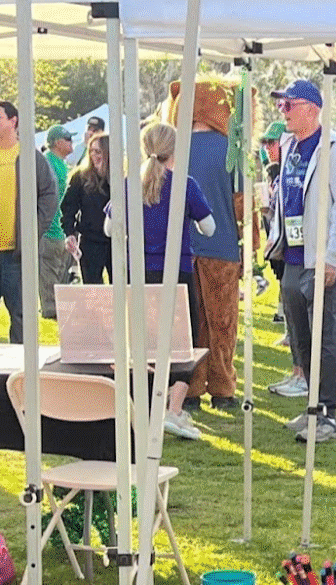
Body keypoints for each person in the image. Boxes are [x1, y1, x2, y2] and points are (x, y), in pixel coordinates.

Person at [103, 121, 215, 440]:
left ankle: (147, 408)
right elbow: (210, 228)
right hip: (175, 272)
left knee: (142, 341)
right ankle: (174, 408)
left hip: (137, 273)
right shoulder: (185, 184)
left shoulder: (127, 184)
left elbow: (110, 229)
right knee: (185, 343)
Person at [264, 79, 336, 443]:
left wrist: (334, 256)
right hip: (293, 254)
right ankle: (311, 406)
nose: (282, 112)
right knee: (299, 335)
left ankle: (328, 414)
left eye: (289, 105)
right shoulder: (289, 145)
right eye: (281, 106)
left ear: (313, 108)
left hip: (323, 257)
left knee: (326, 336)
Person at [182, 86, 244, 413]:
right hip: (223, 248)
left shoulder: (173, 149)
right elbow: (243, 206)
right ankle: (222, 388)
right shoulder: (233, 150)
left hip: (181, 249)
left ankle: (189, 388)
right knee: (222, 321)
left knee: (191, 320)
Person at [0, 101, 57, 343]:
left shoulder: (29, 157)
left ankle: (20, 372)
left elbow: (49, 194)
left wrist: (33, 230)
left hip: (16, 254)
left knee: (21, 315)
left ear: (13, 121)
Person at [62, 132, 113, 285]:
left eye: (98, 151)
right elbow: (68, 207)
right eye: (91, 151)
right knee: (92, 288)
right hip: (90, 240)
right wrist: (69, 232)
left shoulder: (118, 176)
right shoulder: (81, 176)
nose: (93, 155)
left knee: (120, 286)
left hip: (114, 240)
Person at [41, 124, 76, 319]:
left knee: (61, 273)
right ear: (57, 142)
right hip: (49, 230)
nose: (72, 142)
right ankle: (50, 311)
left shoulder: (61, 163)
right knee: (49, 275)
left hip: (61, 230)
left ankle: (59, 311)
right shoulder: (47, 163)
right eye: (68, 138)